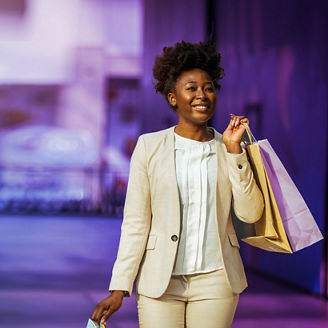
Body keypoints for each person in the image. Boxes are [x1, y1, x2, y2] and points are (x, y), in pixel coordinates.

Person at [91, 40, 264, 328]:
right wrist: (119, 287)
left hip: (216, 280)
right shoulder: (149, 147)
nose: (202, 95)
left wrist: (236, 153)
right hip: (160, 281)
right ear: (173, 98)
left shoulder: (230, 148)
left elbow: (250, 214)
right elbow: (135, 222)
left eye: (208, 88)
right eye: (192, 88)